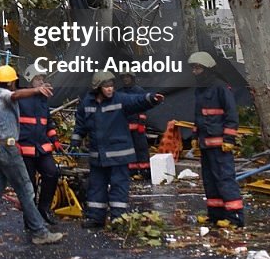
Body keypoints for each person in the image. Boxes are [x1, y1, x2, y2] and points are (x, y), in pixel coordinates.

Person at [0, 65, 64, 246]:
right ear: (12, 82)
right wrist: (37, 89)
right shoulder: (3, 95)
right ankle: (40, 232)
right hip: (7, 149)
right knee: (25, 189)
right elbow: (15, 95)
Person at [70, 70, 163, 228]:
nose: (110, 89)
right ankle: (95, 218)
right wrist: (75, 142)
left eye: (111, 86)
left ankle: (118, 220)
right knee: (96, 187)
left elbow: (136, 101)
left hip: (119, 155)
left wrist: (151, 99)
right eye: (106, 86)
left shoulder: (119, 99)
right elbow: (80, 123)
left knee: (119, 187)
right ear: (98, 87)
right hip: (98, 156)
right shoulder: (87, 103)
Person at [188, 51, 244, 227]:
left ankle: (235, 218)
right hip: (206, 144)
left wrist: (229, 139)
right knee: (210, 180)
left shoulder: (221, 87)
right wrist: (195, 136)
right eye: (193, 68)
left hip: (220, 145)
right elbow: (198, 115)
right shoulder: (200, 90)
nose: (195, 72)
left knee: (225, 179)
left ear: (207, 69)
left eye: (197, 68)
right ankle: (215, 215)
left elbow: (231, 115)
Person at [17, 71, 61, 226]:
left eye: (43, 79)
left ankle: (44, 208)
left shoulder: (43, 99)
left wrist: (54, 139)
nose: (42, 82)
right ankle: (30, 218)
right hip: (24, 149)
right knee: (29, 186)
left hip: (41, 148)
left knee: (52, 173)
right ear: (29, 81)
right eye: (38, 79)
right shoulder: (19, 97)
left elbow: (47, 122)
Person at [117, 72, 151, 180]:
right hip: (125, 127)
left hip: (138, 128)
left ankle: (144, 172)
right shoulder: (119, 93)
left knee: (141, 149)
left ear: (132, 78)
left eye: (128, 77)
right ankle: (131, 172)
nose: (126, 79)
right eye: (124, 77)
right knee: (128, 150)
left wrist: (141, 123)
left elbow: (143, 108)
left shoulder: (139, 91)